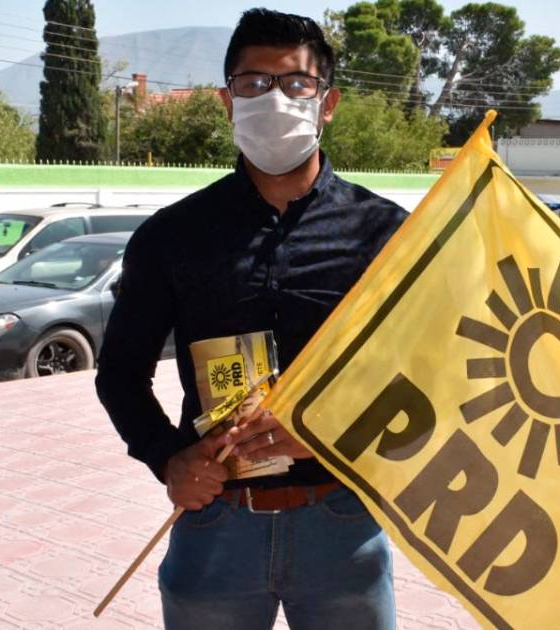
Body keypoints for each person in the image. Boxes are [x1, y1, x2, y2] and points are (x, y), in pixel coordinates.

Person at [94, 9, 404, 629]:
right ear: (227, 101)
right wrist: (169, 459)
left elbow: (423, 375)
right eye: (254, 84)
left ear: (328, 102)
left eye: (296, 83)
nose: (275, 99)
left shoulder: (385, 233)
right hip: (215, 528)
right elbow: (120, 374)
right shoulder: (171, 236)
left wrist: (329, 432)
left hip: (344, 524)